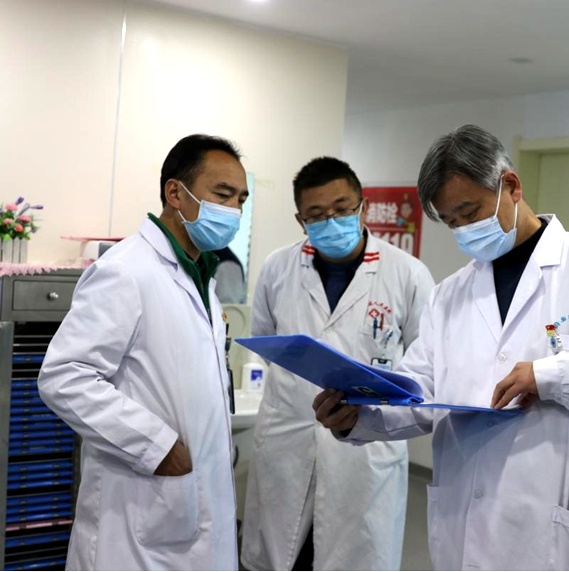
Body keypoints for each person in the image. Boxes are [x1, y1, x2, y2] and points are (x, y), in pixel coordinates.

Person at [313, 125, 569, 570]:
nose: (463, 230)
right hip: (465, 518)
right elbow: (421, 389)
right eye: (451, 222)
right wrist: (360, 416)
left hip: (555, 531)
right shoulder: (449, 295)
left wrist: (550, 376)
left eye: (469, 212)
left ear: (511, 186)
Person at [37, 134, 249, 570]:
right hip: (140, 520)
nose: (234, 211)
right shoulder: (125, 270)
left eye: (241, 200)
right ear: (175, 193)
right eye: (222, 195)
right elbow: (65, 376)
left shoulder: (200, 277)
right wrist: (157, 446)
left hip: (191, 511)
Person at [240, 157, 435, 571]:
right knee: (281, 555)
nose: (331, 221)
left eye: (342, 209)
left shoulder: (408, 274)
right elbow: (266, 342)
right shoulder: (277, 268)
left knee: (355, 552)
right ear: (300, 220)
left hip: (365, 453)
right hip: (287, 439)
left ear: (363, 208)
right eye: (316, 215)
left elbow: (426, 363)